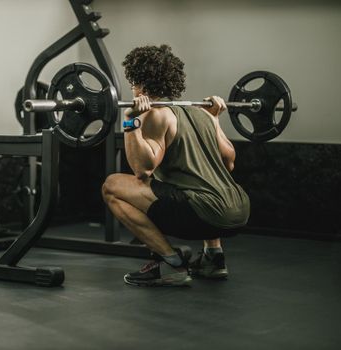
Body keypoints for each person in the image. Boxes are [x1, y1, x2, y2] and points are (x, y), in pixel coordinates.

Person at [102, 45, 250, 287]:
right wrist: (215, 120)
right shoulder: (203, 114)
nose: (132, 87)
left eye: (133, 82)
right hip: (239, 211)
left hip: (205, 214)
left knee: (111, 186)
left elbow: (142, 169)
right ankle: (214, 257)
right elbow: (229, 163)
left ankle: (170, 263)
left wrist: (129, 120)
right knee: (202, 181)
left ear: (141, 84)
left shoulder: (157, 115)